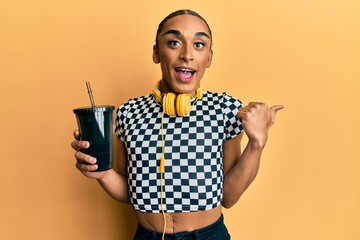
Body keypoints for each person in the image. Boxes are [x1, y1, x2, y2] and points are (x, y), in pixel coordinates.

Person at [71, 9, 283, 240]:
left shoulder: (225, 109)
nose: (187, 55)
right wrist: (101, 173)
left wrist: (257, 142)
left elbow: (229, 197)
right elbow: (129, 192)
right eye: (174, 42)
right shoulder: (127, 112)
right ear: (156, 52)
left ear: (209, 58)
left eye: (199, 45)